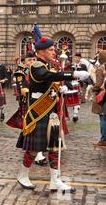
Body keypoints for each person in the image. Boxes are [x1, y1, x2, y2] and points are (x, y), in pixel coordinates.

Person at [16, 37, 89, 193]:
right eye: (50, 50)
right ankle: (22, 176)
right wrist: (72, 74)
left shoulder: (48, 65)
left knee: (54, 147)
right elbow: (47, 76)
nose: (54, 52)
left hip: (50, 111)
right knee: (34, 149)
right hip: (38, 112)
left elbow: (50, 82)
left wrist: (59, 89)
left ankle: (55, 180)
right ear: (41, 51)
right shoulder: (36, 66)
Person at [91, 50, 106, 147]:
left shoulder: (101, 68)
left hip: (103, 96)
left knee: (103, 117)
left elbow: (99, 83)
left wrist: (93, 88)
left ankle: (103, 140)